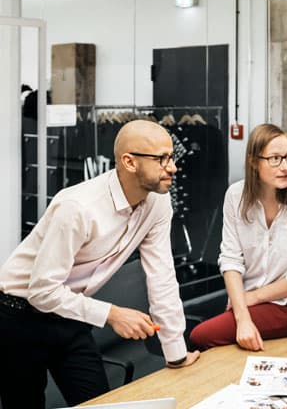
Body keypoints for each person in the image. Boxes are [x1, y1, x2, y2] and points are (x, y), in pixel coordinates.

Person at [0, 120, 200, 409]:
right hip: (17, 316)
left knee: (100, 404)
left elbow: (162, 277)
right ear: (129, 162)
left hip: (71, 313)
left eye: (172, 157)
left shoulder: (158, 202)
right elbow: (42, 290)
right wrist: (113, 314)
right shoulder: (77, 208)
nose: (172, 167)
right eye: (161, 159)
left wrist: (175, 352)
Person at [190, 123, 287, 352]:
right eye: (274, 158)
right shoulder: (235, 196)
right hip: (246, 301)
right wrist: (242, 315)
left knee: (200, 335)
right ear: (254, 162)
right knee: (221, 336)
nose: (284, 166)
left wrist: (250, 299)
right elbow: (231, 260)